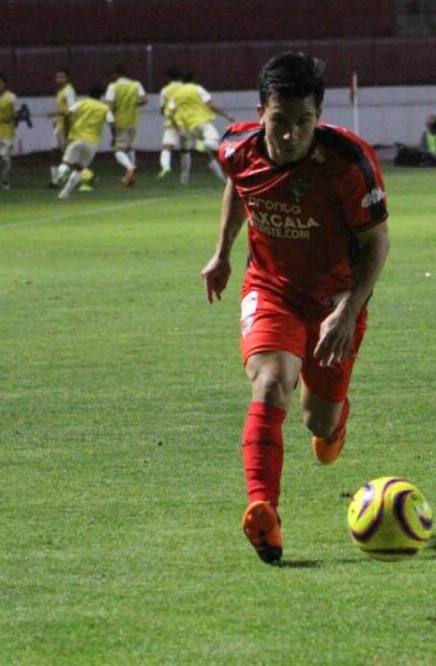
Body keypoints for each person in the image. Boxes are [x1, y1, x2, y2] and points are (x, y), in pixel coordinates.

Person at [201, 52, 390, 565]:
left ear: (318, 117)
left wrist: (349, 310)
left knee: (318, 423)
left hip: (335, 301)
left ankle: (335, 423)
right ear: (260, 112)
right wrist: (222, 252)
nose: (289, 135)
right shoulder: (236, 148)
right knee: (270, 382)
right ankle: (263, 510)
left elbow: (376, 243)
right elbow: (237, 188)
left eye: (303, 123)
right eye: (279, 122)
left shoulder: (348, 162)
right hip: (271, 288)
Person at [167, 70, 234, 184]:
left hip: (190, 126)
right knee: (215, 143)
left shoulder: (176, 94)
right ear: (193, 79)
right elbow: (210, 106)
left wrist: (178, 129)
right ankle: (202, 145)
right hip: (203, 122)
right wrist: (226, 115)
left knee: (207, 155)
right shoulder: (197, 89)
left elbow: (171, 114)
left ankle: (224, 180)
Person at [55, 84, 112, 200]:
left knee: (66, 162)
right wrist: (114, 137)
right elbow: (112, 123)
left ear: (89, 94)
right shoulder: (105, 108)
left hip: (77, 138)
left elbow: (67, 114)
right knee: (79, 169)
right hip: (92, 142)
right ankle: (64, 192)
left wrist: (67, 129)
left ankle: (62, 173)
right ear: (101, 96)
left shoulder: (81, 103)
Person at [104, 64, 147, 187]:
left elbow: (109, 107)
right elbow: (144, 100)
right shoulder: (136, 84)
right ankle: (130, 177)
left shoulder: (113, 86)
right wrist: (133, 103)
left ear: (115, 74)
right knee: (128, 148)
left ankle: (130, 167)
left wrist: (110, 121)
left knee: (118, 151)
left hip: (120, 121)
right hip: (133, 120)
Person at [156, 66, 189, 182]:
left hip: (171, 122)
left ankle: (166, 166)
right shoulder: (186, 88)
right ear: (181, 76)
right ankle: (184, 177)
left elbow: (162, 108)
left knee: (166, 147)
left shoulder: (165, 90)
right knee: (185, 150)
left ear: (168, 77)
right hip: (186, 122)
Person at [47, 68, 76, 187]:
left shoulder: (68, 91)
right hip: (59, 126)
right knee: (54, 152)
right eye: (58, 77)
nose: (59, 79)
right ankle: (55, 181)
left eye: (62, 77)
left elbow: (71, 110)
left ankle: (82, 176)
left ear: (67, 78)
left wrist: (58, 115)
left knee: (68, 156)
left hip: (66, 126)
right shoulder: (60, 92)